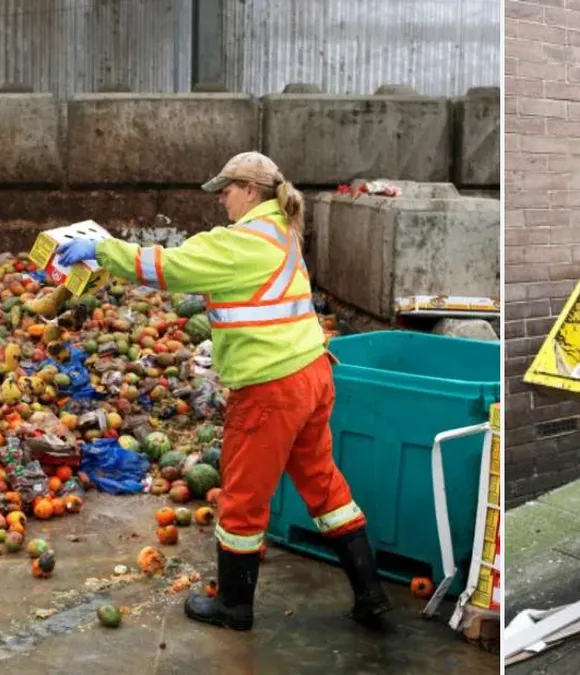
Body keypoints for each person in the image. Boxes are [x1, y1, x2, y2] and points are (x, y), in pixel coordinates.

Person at [54, 151, 391, 631]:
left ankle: (234, 607)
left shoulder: (246, 242)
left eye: (226, 191)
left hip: (271, 388)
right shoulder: (281, 231)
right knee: (323, 485)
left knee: (241, 499)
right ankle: (370, 594)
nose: (221, 202)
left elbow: (170, 267)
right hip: (312, 373)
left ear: (251, 191)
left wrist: (102, 250)